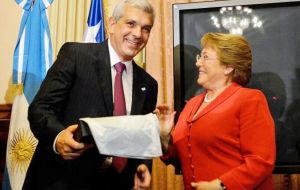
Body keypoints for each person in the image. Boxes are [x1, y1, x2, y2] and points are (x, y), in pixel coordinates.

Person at [23, 0, 157, 190]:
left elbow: (141, 137)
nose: (138, 34)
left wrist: (142, 167)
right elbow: (40, 108)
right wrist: (58, 136)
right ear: (111, 24)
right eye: (131, 24)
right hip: (64, 180)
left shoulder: (149, 85)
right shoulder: (76, 55)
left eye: (146, 28)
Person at [158, 33, 276, 190]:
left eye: (205, 57)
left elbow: (261, 161)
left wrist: (221, 185)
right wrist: (164, 137)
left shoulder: (250, 99)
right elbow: (183, 158)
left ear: (228, 67)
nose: (198, 62)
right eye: (200, 56)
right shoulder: (192, 104)